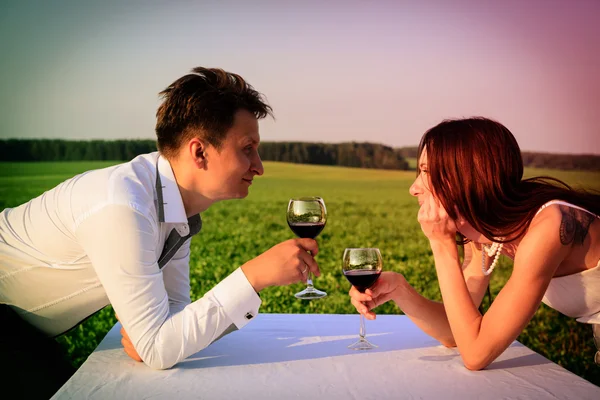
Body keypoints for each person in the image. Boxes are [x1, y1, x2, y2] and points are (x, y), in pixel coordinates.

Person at [0, 67, 321, 398]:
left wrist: (162, 341)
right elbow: (159, 346)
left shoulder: (173, 205)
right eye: (247, 148)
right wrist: (253, 277)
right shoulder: (124, 207)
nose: (259, 166)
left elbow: (173, 321)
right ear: (199, 152)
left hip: (22, 331)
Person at [348, 117, 600, 370]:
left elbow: (476, 353)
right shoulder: (482, 233)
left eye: (427, 172)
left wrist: (442, 244)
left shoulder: (549, 227)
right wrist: (399, 289)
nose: (414, 188)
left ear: (467, 177)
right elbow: (455, 331)